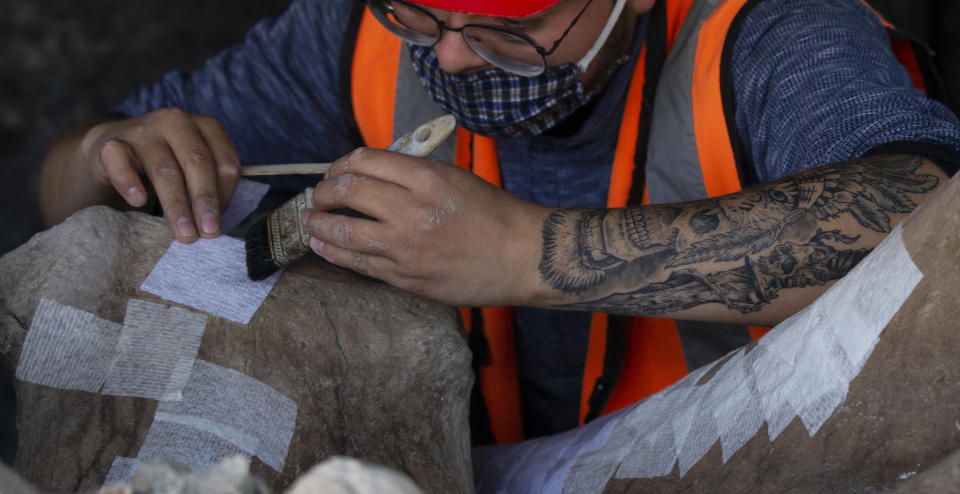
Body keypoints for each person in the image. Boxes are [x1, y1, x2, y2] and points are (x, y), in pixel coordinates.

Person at [37, 0, 960, 443]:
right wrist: (107, 154)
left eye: (506, 30)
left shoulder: (772, 28)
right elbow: (62, 194)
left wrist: (532, 253)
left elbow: (926, 211)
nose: (448, 56)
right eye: (421, 13)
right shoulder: (356, 31)